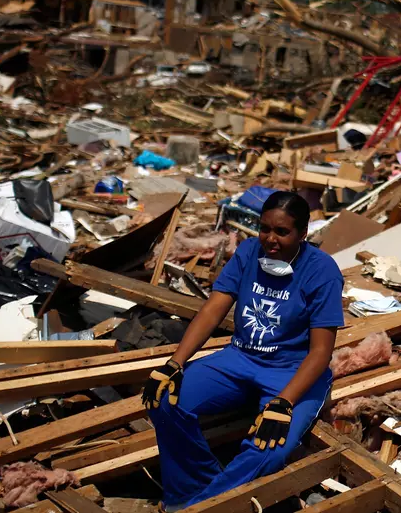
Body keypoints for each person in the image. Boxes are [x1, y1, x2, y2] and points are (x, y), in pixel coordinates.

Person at [142, 191, 343, 510]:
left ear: (303, 233)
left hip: (291, 372)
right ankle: (191, 493)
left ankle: (205, 507)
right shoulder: (249, 252)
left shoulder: (322, 270)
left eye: (282, 231)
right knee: (165, 399)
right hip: (240, 358)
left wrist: (284, 402)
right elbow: (212, 310)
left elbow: (321, 351)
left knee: (271, 448)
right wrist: (175, 363)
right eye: (265, 228)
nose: (270, 239)